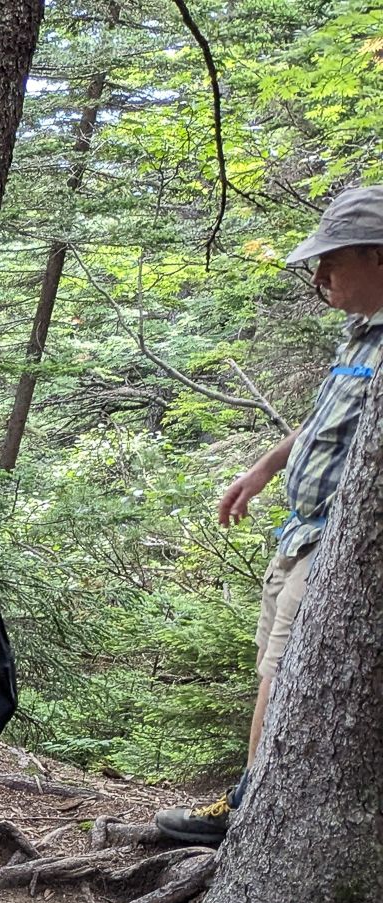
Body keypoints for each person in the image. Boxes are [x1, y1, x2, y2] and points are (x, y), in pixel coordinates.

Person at [156, 186, 383, 845]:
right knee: (270, 664)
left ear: (377, 256)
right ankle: (253, 792)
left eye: (332, 262)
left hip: (341, 547)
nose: (320, 278)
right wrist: (262, 469)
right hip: (300, 534)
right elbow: (321, 425)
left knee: (287, 669)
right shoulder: (360, 339)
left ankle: (248, 809)